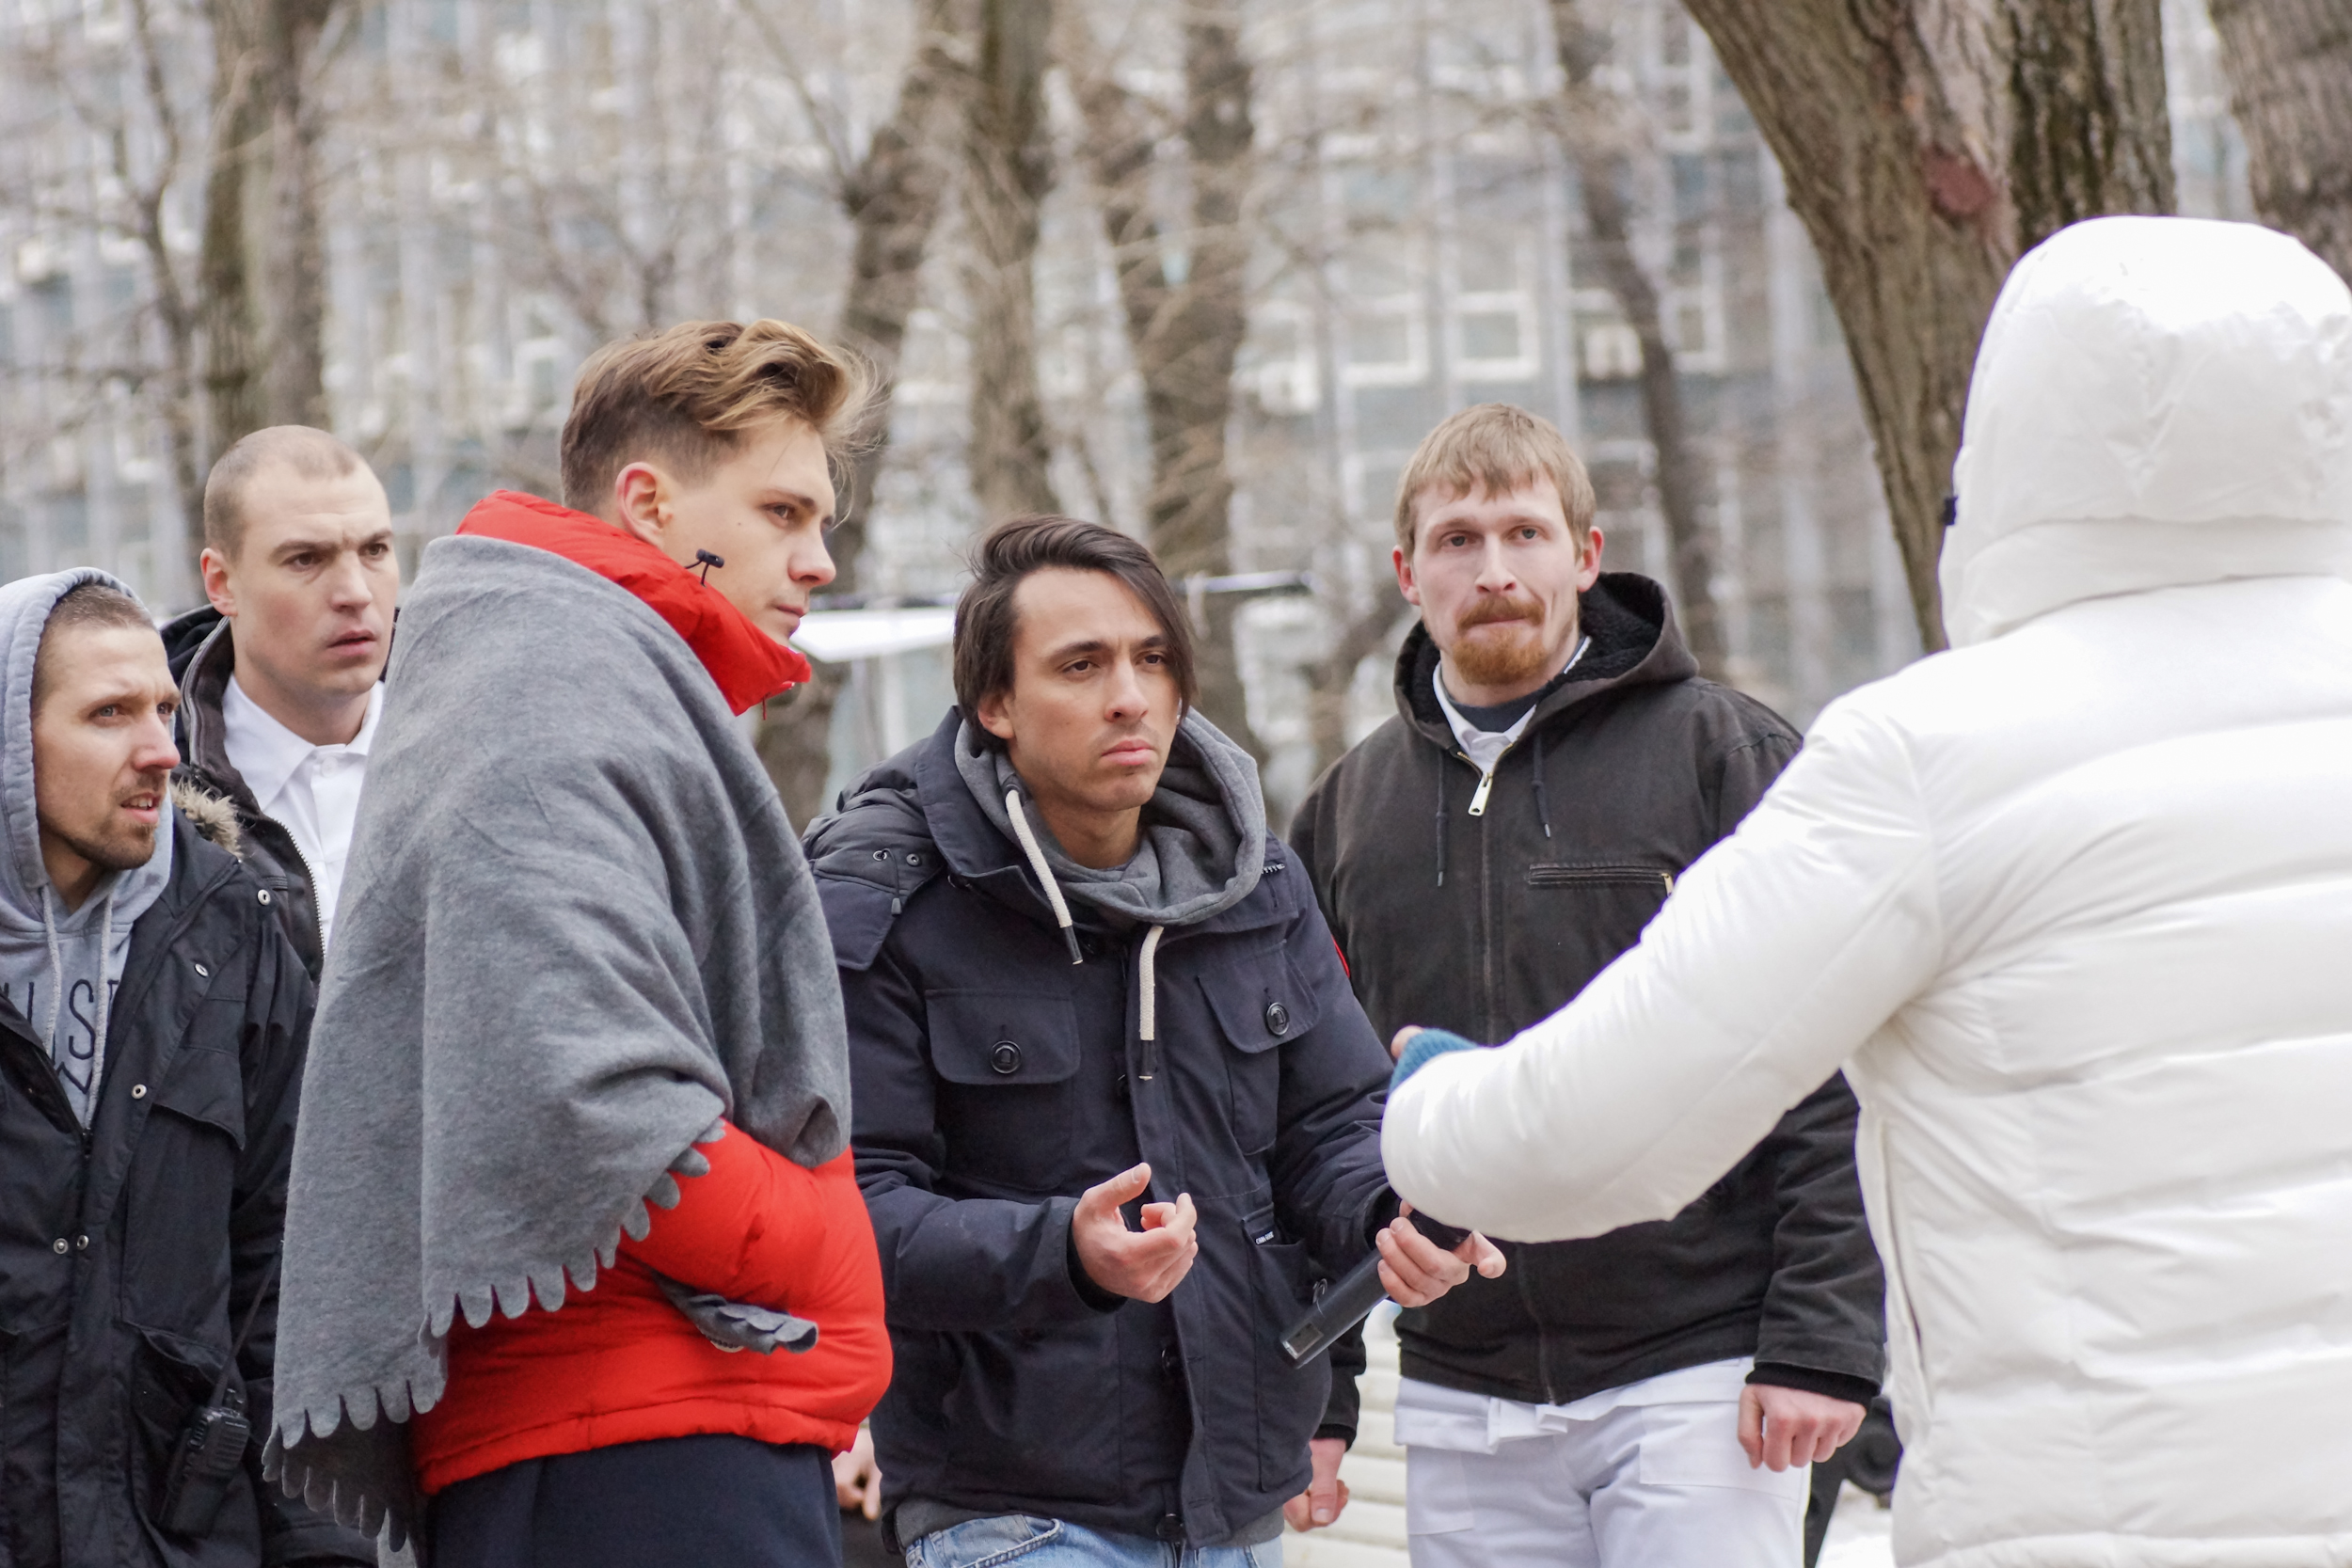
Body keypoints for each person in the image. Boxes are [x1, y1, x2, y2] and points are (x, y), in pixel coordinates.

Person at [1379, 218, 2352, 1565]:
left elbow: (1605, 1123)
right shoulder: (1361, 798)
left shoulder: (1926, 756)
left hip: (2084, 1514)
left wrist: (1432, 1105)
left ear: (2009, 443)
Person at [265, 319, 893, 1567]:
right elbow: (589, 1094)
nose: (818, 560)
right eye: (781, 512)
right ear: (649, 503)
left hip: (650, 1427)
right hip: (628, 1454)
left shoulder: (568, 666)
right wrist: (829, 1244)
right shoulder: (546, 689)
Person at [804, 515, 1502, 1568]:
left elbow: (1331, 1125)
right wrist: (1064, 1252)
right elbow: (846, 1206)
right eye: (1080, 665)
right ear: (994, 703)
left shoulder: (1256, 879)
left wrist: (1390, 1214)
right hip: (1010, 1509)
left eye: (1153, 658)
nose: (1129, 696)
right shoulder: (885, 895)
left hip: (1234, 1506)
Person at [1290, 404, 1884, 1568]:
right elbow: (1315, 1112)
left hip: (1698, 1371)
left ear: (1585, 554)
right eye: (1457, 540)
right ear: (1408, 573)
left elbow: (1833, 1054)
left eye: (1525, 532)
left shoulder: (1723, 756)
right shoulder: (1348, 812)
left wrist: (1818, 1337)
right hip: (1461, 1385)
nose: (1494, 569)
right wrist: (1323, 1389)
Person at [0, 572, 368, 1568]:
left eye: (165, 709)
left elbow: (290, 1272)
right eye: (109, 713)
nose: (161, 749)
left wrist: (323, 1546)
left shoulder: (234, 937)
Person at [163, 426, 399, 973]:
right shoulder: (148, 789)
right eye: (305, 559)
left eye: (375, 550)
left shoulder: (481, 749)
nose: (355, 593)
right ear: (222, 582)